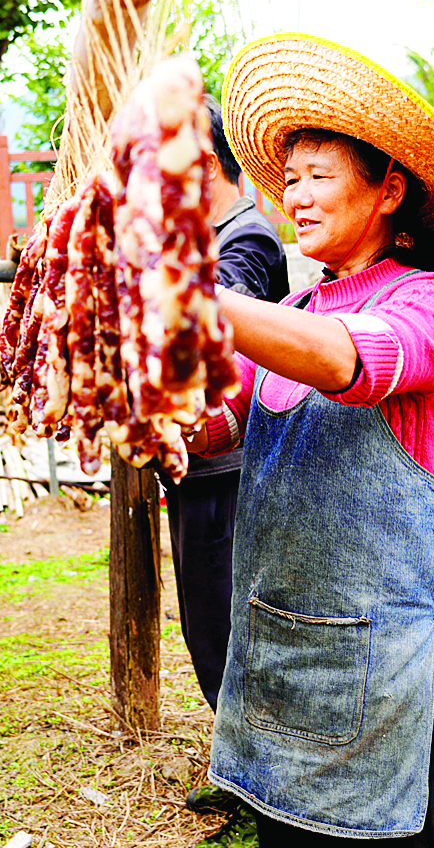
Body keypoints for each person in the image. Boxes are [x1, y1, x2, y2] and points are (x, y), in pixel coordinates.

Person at [186, 34, 434, 846]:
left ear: (388, 189)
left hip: (373, 670)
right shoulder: (296, 312)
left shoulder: (433, 305)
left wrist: (187, 294)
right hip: (277, 647)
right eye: (288, 181)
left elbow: (347, 361)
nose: (297, 199)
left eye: (320, 177)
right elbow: (224, 424)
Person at [161, 96, 289, 727]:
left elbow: (215, 315)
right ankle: (241, 766)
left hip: (230, 469)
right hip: (202, 465)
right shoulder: (205, 240)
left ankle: (255, 777)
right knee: (206, 622)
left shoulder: (249, 240)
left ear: (204, 165)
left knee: (226, 625)